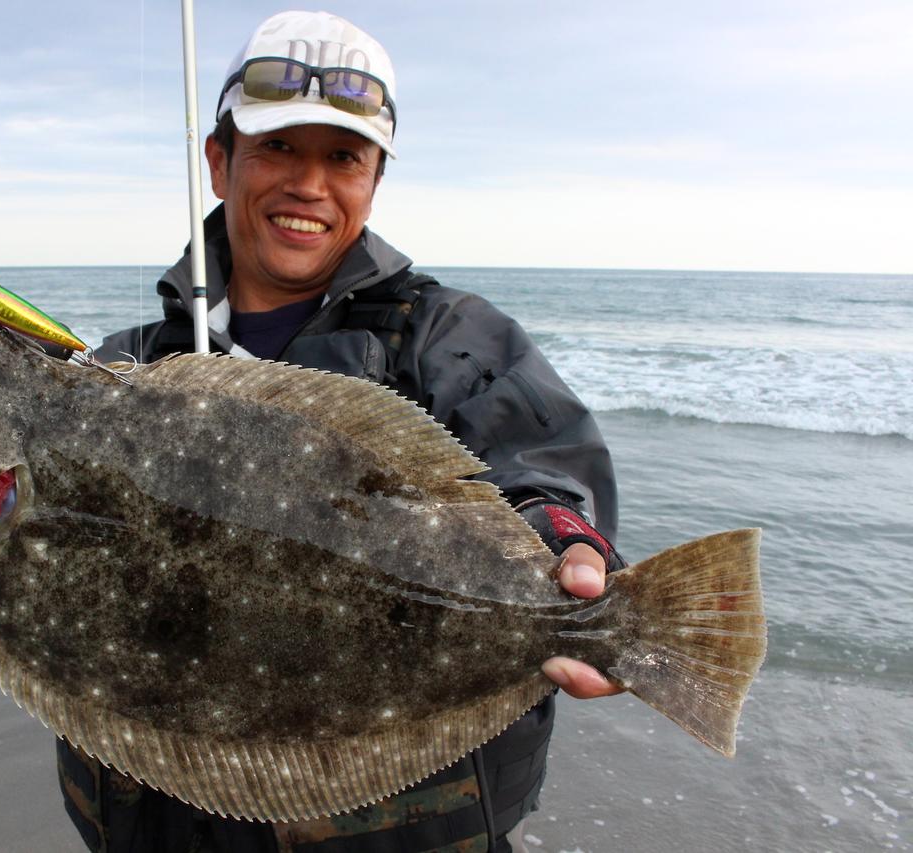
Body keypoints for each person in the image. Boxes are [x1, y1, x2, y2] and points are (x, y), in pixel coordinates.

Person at [59, 11, 624, 852]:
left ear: (374, 181)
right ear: (220, 162)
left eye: (343, 158)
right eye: (279, 149)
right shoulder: (129, 370)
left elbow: (545, 471)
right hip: (165, 822)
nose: (308, 186)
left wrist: (567, 551)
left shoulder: (446, 336)